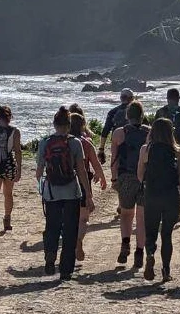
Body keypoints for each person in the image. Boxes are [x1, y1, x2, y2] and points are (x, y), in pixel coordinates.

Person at [36, 107, 95, 281]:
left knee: (52, 226)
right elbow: (82, 171)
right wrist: (88, 194)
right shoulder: (75, 143)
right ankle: (66, 270)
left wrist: (43, 188)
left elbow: (39, 171)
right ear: (69, 126)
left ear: (54, 124)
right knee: (70, 230)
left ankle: (50, 254)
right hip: (72, 192)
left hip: (52, 192)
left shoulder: (45, 143)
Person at [137, 118, 180, 281]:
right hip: (171, 195)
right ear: (171, 132)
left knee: (151, 232)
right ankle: (166, 271)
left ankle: (149, 254)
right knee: (167, 234)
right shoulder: (177, 150)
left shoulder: (146, 149)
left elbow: (140, 175)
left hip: (152, 195)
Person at [109, 100, 150, 268]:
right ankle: (139, 252)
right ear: (142, 115)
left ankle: (125, 242)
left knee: (126, 214)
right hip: (144, 178)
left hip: (125, 176)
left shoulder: (119, 133)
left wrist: (113, 179)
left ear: (127, 115)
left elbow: (114, 159)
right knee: (141, 218)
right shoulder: (150, 132)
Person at [68, 110, 108, 261]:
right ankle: (79, 241)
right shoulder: (86, 143)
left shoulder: (63, 140)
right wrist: (102, 178)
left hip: (64, 183)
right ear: (83, 126)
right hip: (83, 183)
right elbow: (96, 164)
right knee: (83, 218)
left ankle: (71, 241)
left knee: (69, 217)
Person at [0, 105, 22, 234]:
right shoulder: (15, 131)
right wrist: (19, 169)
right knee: (8, 194)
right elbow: (18, 151)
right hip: (9, 164)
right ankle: (7, 219)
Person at [95, 88, 135, 164]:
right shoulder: (138, 111)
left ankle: (114, 176)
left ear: (121, 98)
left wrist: (101, 149)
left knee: (116, 163)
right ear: (132, 98)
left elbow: (105, 130)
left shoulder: (113, 112)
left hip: (117, 142)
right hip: (134, 141)